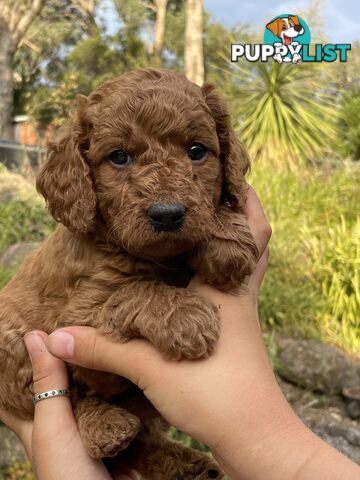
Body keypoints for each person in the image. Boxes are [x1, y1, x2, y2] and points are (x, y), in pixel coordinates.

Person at [0, 186, 359, 480]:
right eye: (120, 157)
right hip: (32, 355)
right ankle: (97, 420)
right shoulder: (91, 245)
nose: (167, 197)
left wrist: (224, 229)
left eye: (196, 152)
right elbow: (81, 315)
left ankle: (141, 450)